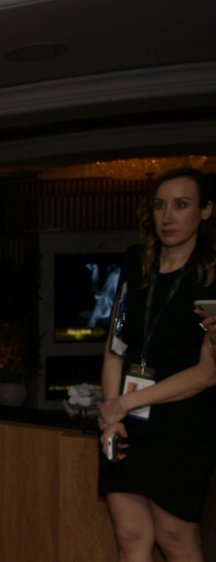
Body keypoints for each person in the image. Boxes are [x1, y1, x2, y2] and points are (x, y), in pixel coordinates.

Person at [97, 167, 216, 561]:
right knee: (131, 537)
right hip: (126, 419)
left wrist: (122, 405)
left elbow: (208, 372)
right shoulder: (136, 262)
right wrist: (111, 415)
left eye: (181, 205)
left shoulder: (212, 277)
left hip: (183, 425)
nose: (168, 217)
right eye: (161, 205)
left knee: (175, 538)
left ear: (206, 210)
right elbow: (115, 346)